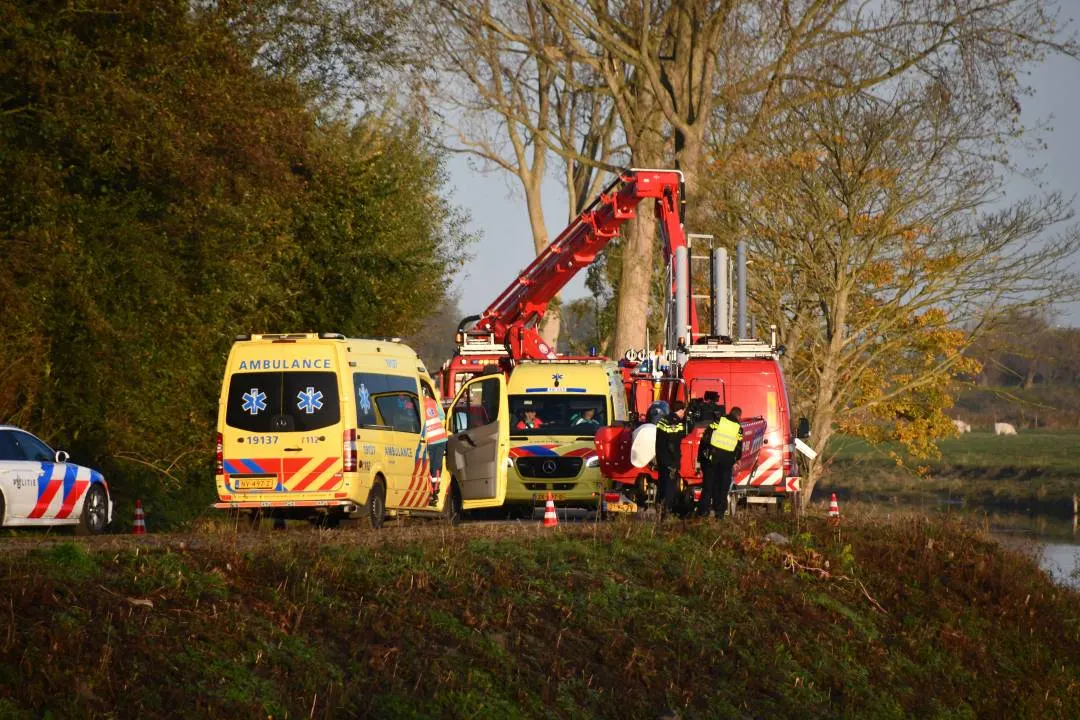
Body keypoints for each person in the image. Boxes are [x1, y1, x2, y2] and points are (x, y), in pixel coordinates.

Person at [698, 406, 743, 519]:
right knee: (723, 487)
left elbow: (707, 435)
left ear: (729, 413)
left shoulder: (719, 421)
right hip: (727, 461)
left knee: (708, 486)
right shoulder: (738, 428)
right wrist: (737, 459)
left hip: (713, 457)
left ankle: (704, 512)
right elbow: (739, 447)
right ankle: (720, 513)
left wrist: (703, 453)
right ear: (738, 416)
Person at [654, 400, 688, 518]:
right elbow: (672, 443)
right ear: (680, 410)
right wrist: (675, 461)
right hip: (670, 461)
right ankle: (667, 511)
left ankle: (660, 508)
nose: (684, 413)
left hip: (662, 459)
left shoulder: (663, 419)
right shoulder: (674, 422)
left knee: (662, 485)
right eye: (684, 411)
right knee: (669, 487)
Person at [422, 386, 449, 507]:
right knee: (436, 467)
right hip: (441, 438)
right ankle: (435, 492)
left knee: (430, 467)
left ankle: (431, 492)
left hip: (431, 440)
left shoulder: (420, 404)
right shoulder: (433, 402)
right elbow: (442, 417)